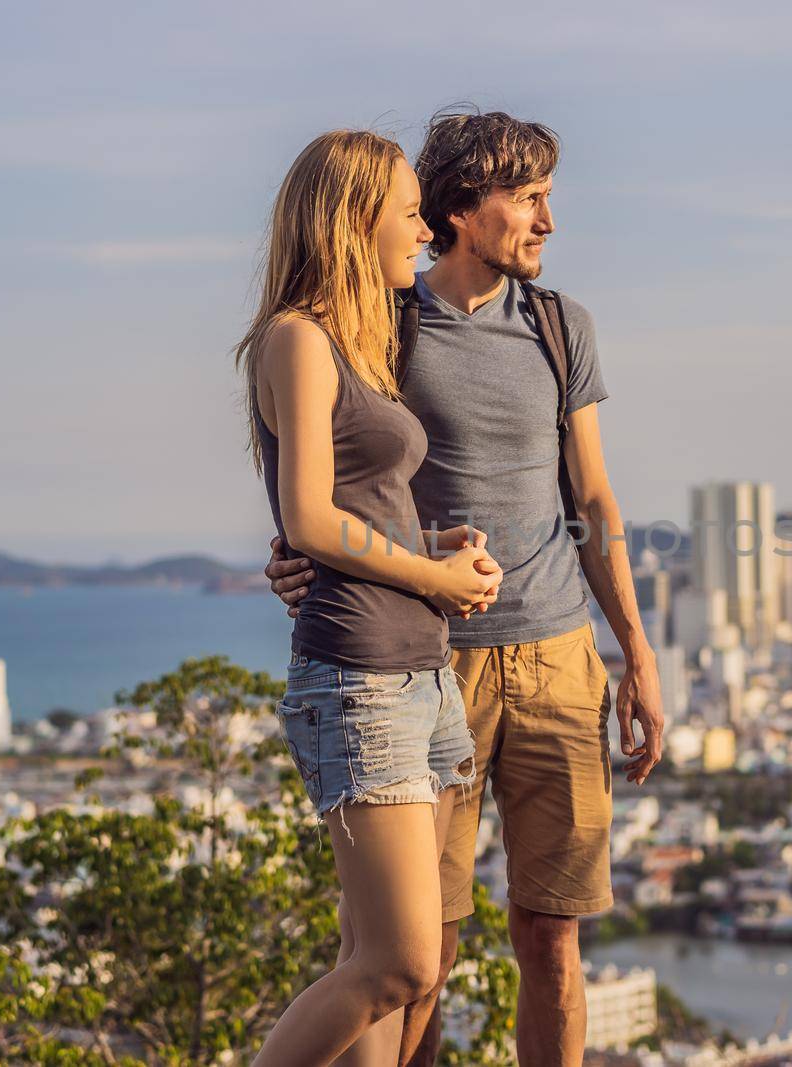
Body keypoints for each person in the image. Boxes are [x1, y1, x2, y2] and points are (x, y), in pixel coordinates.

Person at [266, 109, 666, 1067]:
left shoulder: (563, 327)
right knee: (419, 950)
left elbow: (596, 498)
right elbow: (334, 472)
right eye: (528, 199)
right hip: (431, 661)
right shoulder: (383, 319)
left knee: (553, 939)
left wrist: (637, 655)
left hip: (561, 660)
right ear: (460, 206)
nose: (547, 222)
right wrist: (299, 550)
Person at [239, 129, 504, 1067]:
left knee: (395, 965)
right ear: (355, 221)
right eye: (406, 214)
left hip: (419, 673)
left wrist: (433, 549)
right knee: (397, 961)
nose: (424, 230)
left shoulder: (360, 342)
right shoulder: (297, 338)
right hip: (360, 681)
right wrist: (433, 575)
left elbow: (351, 514)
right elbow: (309, 515)